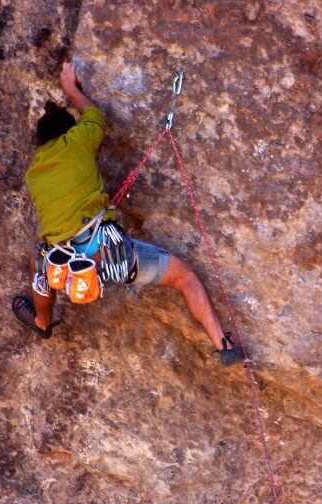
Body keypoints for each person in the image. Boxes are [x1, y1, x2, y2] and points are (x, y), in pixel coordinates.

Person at [12, 62, 246, 367]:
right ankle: (223, 344)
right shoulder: (78, 142)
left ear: (42, 143)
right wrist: (71, 89)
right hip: (110, 257)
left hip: (63, 264)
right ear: (71, 131)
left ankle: (42, 322)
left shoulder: (34, 173)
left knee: (37, 264)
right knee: (184, 276)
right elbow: (95, 116)